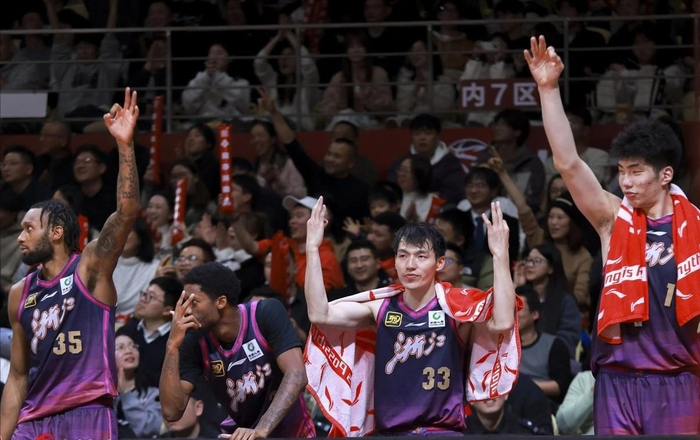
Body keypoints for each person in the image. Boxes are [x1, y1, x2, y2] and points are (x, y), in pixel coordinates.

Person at [526, 35, 700, 435]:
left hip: (677, 379)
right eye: (621, 172)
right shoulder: (612, 219)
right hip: (616, 379)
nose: (626, 182)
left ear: (665, 175)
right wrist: (548, 89)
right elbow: (568, 163)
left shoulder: (696, 229)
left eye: (636, 172)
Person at [304, 197, 518, 435]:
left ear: (439, 263)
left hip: (442, 432)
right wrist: (312, 248)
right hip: (391, 434)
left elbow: (503, 321)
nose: (410, 265)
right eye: (403, 256)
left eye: (421, 256)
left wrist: (501, 255)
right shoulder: (380, 307)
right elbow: (319, 314)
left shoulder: (457, 309)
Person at [0, 88, 141, 440]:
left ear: (57, 232)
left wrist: (124, 145)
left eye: (29, 229)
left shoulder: (90, 267)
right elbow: (17, 376)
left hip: (87, 411)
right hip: (32, 420)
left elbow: (125, 213)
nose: (21, 238)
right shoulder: (20, 293)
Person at [159, 262, 315, 438]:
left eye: (193, 302)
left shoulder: (265, 313)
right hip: (242, 434)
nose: (186, 311)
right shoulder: (195, 342)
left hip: (293, 433)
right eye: (184, 302)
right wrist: (171, 346)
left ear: (221, 302)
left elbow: (297, 375)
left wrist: (262, 429)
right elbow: (171, 412)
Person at [118, 277, 182, 389]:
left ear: (167, 310)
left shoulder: (179, 340)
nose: (143, 299)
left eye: (150, 297)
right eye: (144, 294)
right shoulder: (126, 332)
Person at [114, 333, 162, 438]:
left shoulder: (153, 394)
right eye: (120, 347)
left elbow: (150, 429)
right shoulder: (102, 393)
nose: (129, 351)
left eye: (133, 346)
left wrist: (126, 394)